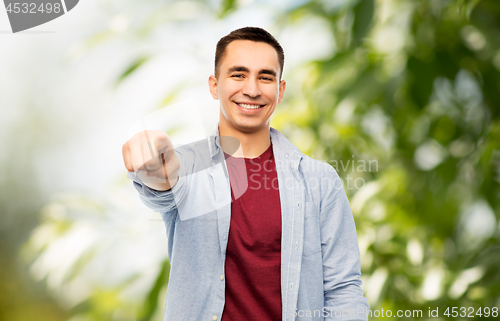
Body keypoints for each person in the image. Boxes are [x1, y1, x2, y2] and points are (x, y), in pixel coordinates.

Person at [122, 27, 369, 321]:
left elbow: (343, 290)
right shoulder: (188, 166)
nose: (252, 89)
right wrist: (149, 165)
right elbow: (161, 187)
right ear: (214, 85)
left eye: (265, 77)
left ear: (280, 90)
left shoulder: (319, 181)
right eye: (238, 75)